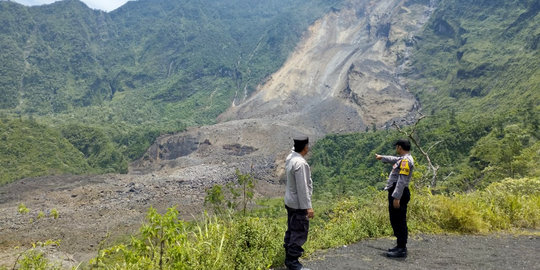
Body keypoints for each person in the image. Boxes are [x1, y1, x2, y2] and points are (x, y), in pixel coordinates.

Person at [375, 139, 414, 258]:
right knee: (395, 219)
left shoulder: (406, 161)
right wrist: (382, 157)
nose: (396, 149)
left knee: (399, 220)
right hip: (397, 192)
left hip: (399, 193)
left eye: (397, 147)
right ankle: (399, 245)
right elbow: (394, 159)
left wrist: (396, 197)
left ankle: (402, 249)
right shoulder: (403, 159)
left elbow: (402, 180)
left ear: (399, 147)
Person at [283, 136, 314, 270]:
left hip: (290, 201)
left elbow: (293, 150)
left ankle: (288, 259)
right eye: (307, 146)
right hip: (298, 204)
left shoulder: (291, 157)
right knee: (299, 232)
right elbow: (303, 188)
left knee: (291, 229)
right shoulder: (300, 164)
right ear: (305, 148)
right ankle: (293, 263)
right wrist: (308, 207)